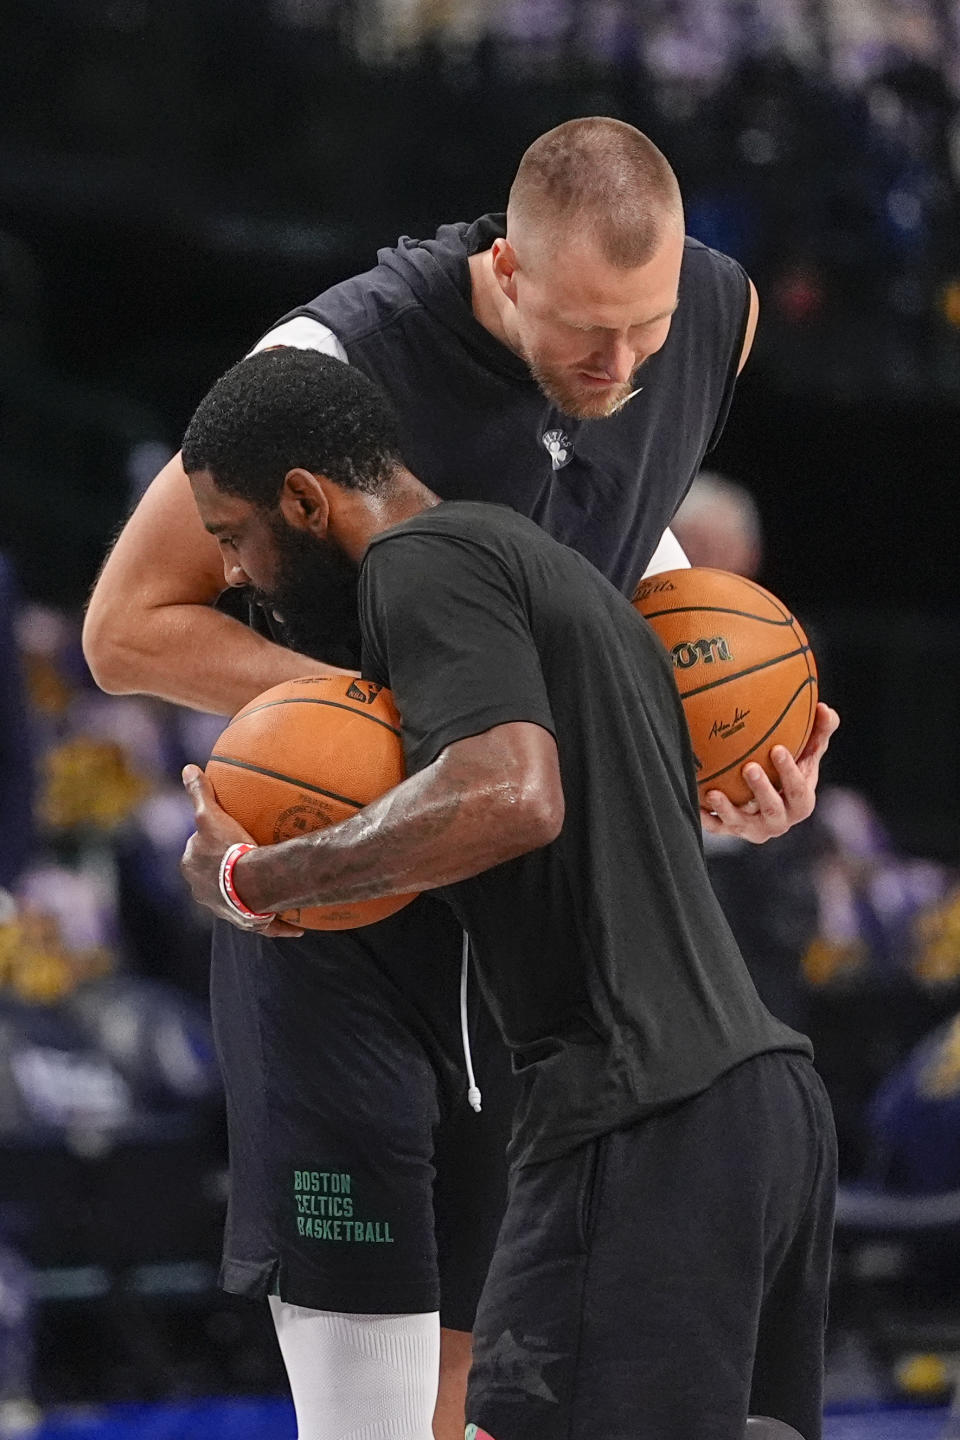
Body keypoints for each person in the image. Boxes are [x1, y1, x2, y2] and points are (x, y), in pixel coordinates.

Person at [82, 118, 838, 1437]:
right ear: (503, 270)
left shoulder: (714, 315)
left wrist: (711, 743)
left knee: (485, 1405)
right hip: (342, 915)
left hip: (531, 943)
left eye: (644, 330)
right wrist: (393, 721)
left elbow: (606, 521)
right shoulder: (327, 375)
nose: (620, 366)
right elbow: (125, 630)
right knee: (370, 1412)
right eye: (585, 333)